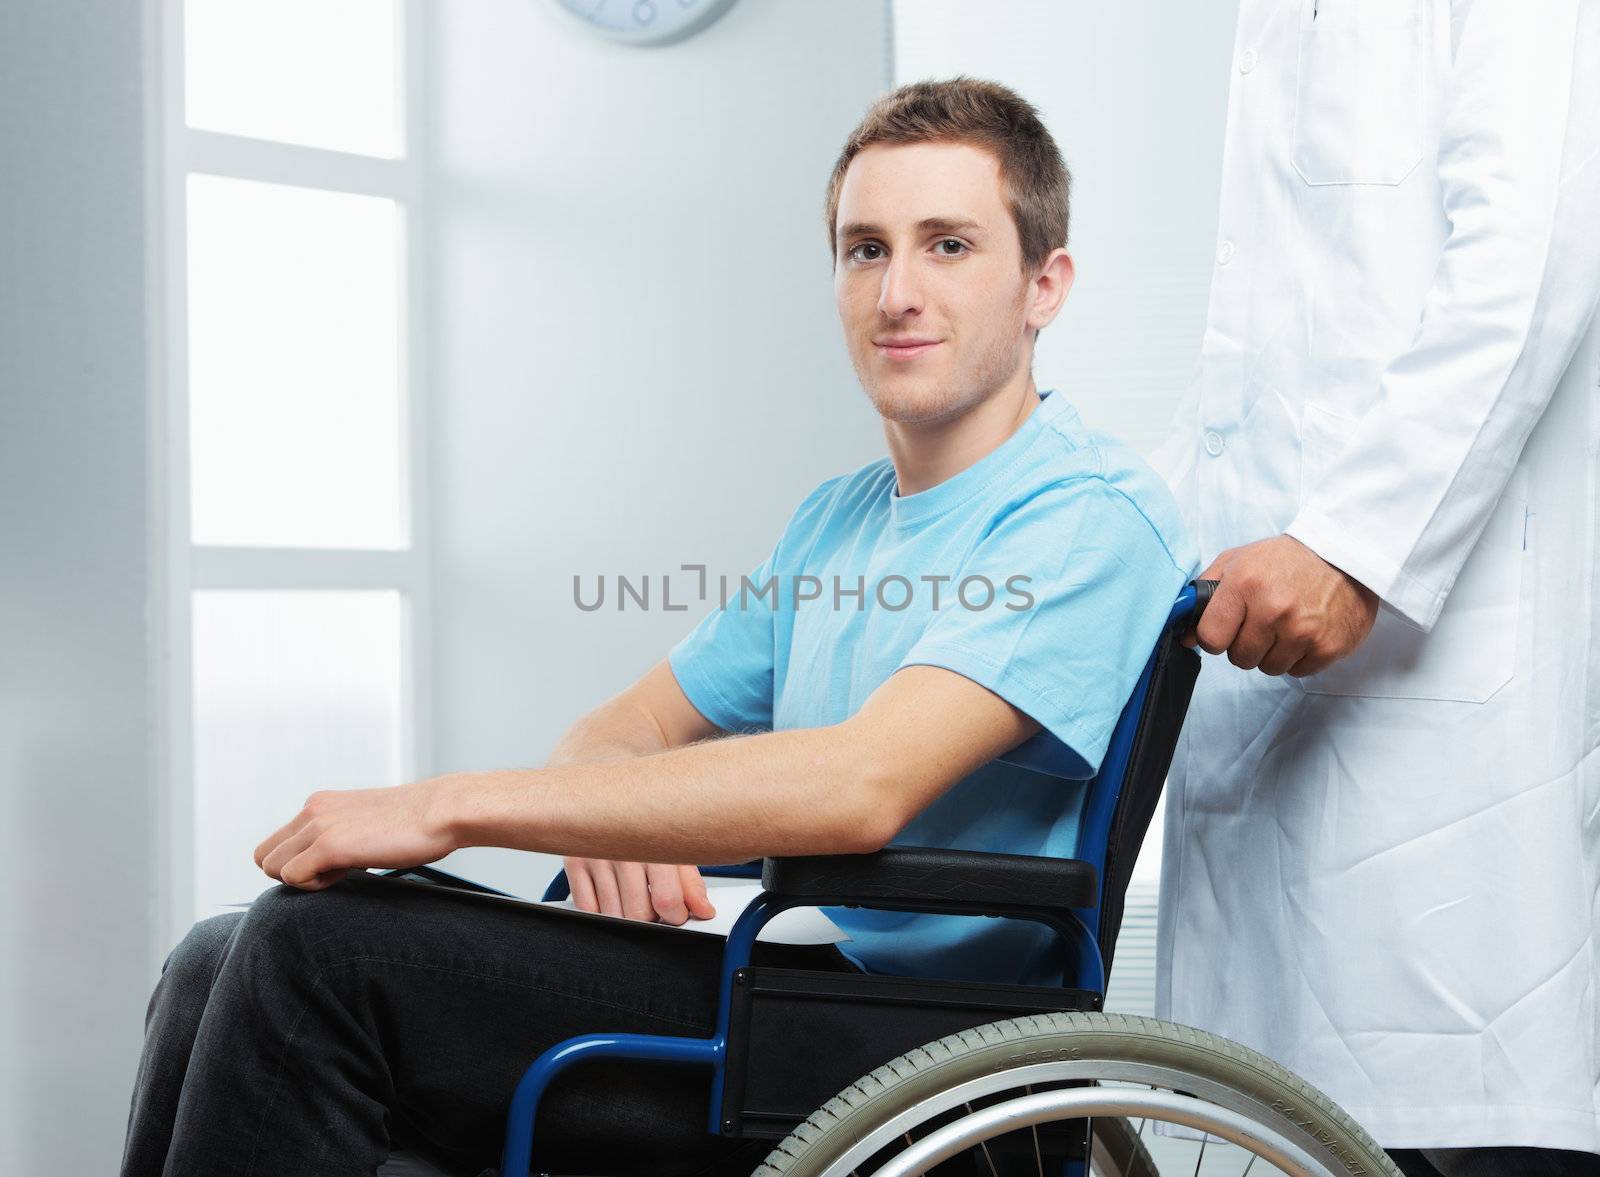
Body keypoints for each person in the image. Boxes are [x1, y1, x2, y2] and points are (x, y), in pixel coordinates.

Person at [121, 78, 1194, 1176]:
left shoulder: (1084, 516)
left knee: (314, 956)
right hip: (775, 977)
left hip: (915, 1048)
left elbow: (858, 784)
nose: (896, 292)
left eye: (949, 245)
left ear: (1043, 285)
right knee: (221, 954)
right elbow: (629, 723)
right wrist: (599, 813)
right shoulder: (837, 521)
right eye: (864, 249)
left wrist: (450, 807)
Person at [1150, 2, 1600, 1173]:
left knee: (1479, 1119)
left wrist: (1353, 547)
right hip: (1292, 702)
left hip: (1438, 683)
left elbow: (1530, 257)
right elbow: (1259, 364)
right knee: (1334, 1128)